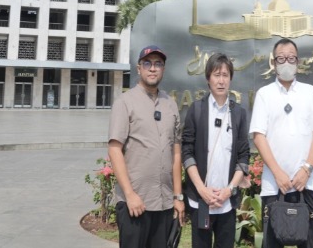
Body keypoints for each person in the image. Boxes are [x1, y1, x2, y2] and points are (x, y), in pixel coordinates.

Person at [249, 38, 313, 248]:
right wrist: (278, 173)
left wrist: (306, 169)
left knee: (308, 242)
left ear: (298, 61)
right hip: (274, 186)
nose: (286, 63)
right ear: (273, 63)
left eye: (291, 58)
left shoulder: (309, 92)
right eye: (281, 58)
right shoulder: (264, 94)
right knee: (273, 243)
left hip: (306, 183)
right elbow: (258, 136)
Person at [107, 45, 186, 247]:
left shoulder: (170, 104)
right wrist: (130, 194)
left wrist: (178, 197)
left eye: (158, 63)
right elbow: (115, 149)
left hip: (165, 203)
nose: (153, 68)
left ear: (163, 69)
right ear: (139, 68)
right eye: (147, 63)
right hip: (136, 204)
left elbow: (176, 153)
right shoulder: (125, 102)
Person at [182, 53, 250, 248]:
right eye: (216, 75)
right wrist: (202, 190)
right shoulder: (196, 110)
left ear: (230, 79)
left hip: (226, 203)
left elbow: (243, 155)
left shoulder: (238, 113)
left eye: (225, 75)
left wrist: (229, 190)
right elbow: (187, 153)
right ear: (208, 79)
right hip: (200, 201)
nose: (221, 81)